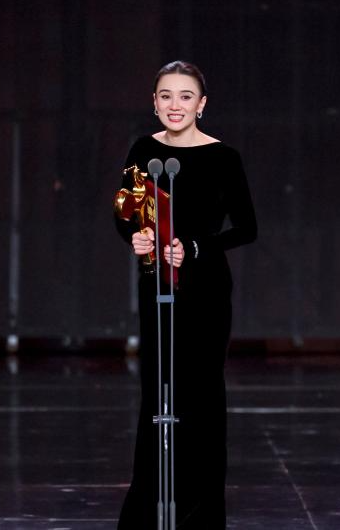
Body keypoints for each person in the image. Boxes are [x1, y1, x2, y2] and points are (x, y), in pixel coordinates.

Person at [114, 60, 257, 529]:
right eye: (166, 95)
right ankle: (148, 515)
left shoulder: (224, 157)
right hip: (157, 282)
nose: (175, 105)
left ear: (202, 104)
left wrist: (193, 248)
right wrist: (135, 237)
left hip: (205, 290)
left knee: (201, 397)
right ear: (154, 102)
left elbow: (247, 228)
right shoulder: (143, 150)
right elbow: (126, 210)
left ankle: (200, 516)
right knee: (157, 395)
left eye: (185, 96)